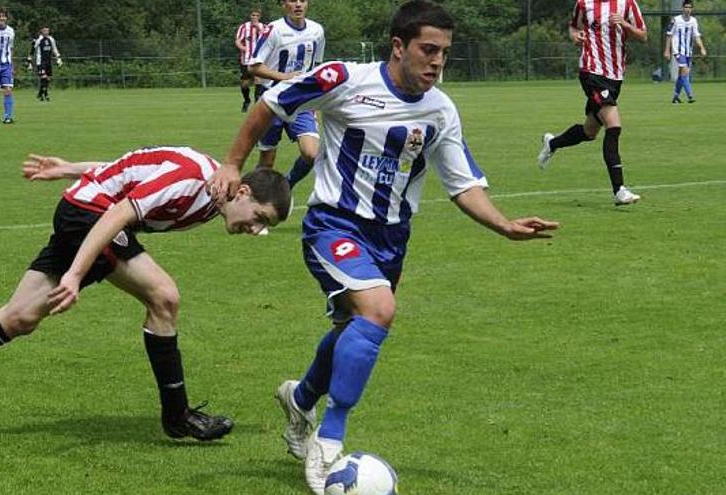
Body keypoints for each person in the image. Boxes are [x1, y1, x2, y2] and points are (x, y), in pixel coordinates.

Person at [207, 2, 559, 493]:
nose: (436, 62)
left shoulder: (441, 110)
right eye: (427, 50)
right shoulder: (345, 79)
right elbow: (273, 103)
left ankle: (301, 399)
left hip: (391, 237)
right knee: (378, 310)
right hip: (333, 224)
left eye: (444, 53)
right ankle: (330, 441)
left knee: (354, 328)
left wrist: (503, 224)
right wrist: (231, 162)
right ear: (399, 46)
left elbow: (462, 183)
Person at [0, 146, 292, 447]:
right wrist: (76, 275)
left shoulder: (214, 194)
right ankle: (178, 416)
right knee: (164, 297)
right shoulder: (193, 183)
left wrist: (67, 170)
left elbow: (125, 169)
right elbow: (117, 215)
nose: (255, 229)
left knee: (18, 318)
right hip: (90, 217)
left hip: (81, 208)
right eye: (259, 218)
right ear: (243, 194)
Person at [537, 0, 647, 206]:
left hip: (615, 76)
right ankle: (619, 190)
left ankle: (552, 143)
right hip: (591, 71)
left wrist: (625, 24)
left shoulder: (627, 4)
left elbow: (642, 35)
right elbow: (573, 27)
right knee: (613, 126)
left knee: (589, 132)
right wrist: (574, 36)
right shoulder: (583, 3)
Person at [249, 0, 325, 189]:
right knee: (267, 161)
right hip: (272, 101)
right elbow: (254, 66)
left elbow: (316, 66)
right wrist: (283, 76)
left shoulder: (317, 31)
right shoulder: (273, 29)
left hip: (301, 100)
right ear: (283, 4)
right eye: (292, 1)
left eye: (302, 0)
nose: (298, 5)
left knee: (312, 153)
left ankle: (286, 185)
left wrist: (316, 99)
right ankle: (256, 198)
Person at [664, 0, 707, 103]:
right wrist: (667, 50)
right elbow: (669, 35)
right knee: (685, 71)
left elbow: (696, 36)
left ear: (692, 9)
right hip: (678, 51)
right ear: (682, 8)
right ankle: (690, 95)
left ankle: (675, 96)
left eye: (689, 7)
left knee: (681, 74)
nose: (687, 9)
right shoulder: (675, 20)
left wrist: (702, 47)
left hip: (688, 52)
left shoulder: (693, 21)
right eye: (686, 7)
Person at [235, 8, 265, 113]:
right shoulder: (244, 27)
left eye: (257, 15)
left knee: (258, 80)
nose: (254, 17)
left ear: (259, 17)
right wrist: (242, 48)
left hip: (258, 59)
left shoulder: (263, 27)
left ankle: (257, 105)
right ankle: (247, 100)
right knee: (244, 84)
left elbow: (267, 39)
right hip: (245, 59)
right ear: (250, 16)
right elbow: (238, 40)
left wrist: (257, 27)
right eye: (253, 15)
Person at [32, 26, 64, 102]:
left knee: (48, 79)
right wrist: (29, 60)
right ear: (41, 31)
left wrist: (58, 58)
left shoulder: (51, 39)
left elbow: (54, 49)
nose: (46, 32)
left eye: (47, 31)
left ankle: (40, 93)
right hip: (41, 62)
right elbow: (33, 48)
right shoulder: (39, 40)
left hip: (48, 62)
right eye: (44, 31)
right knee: (44, 77)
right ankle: (45, 94)